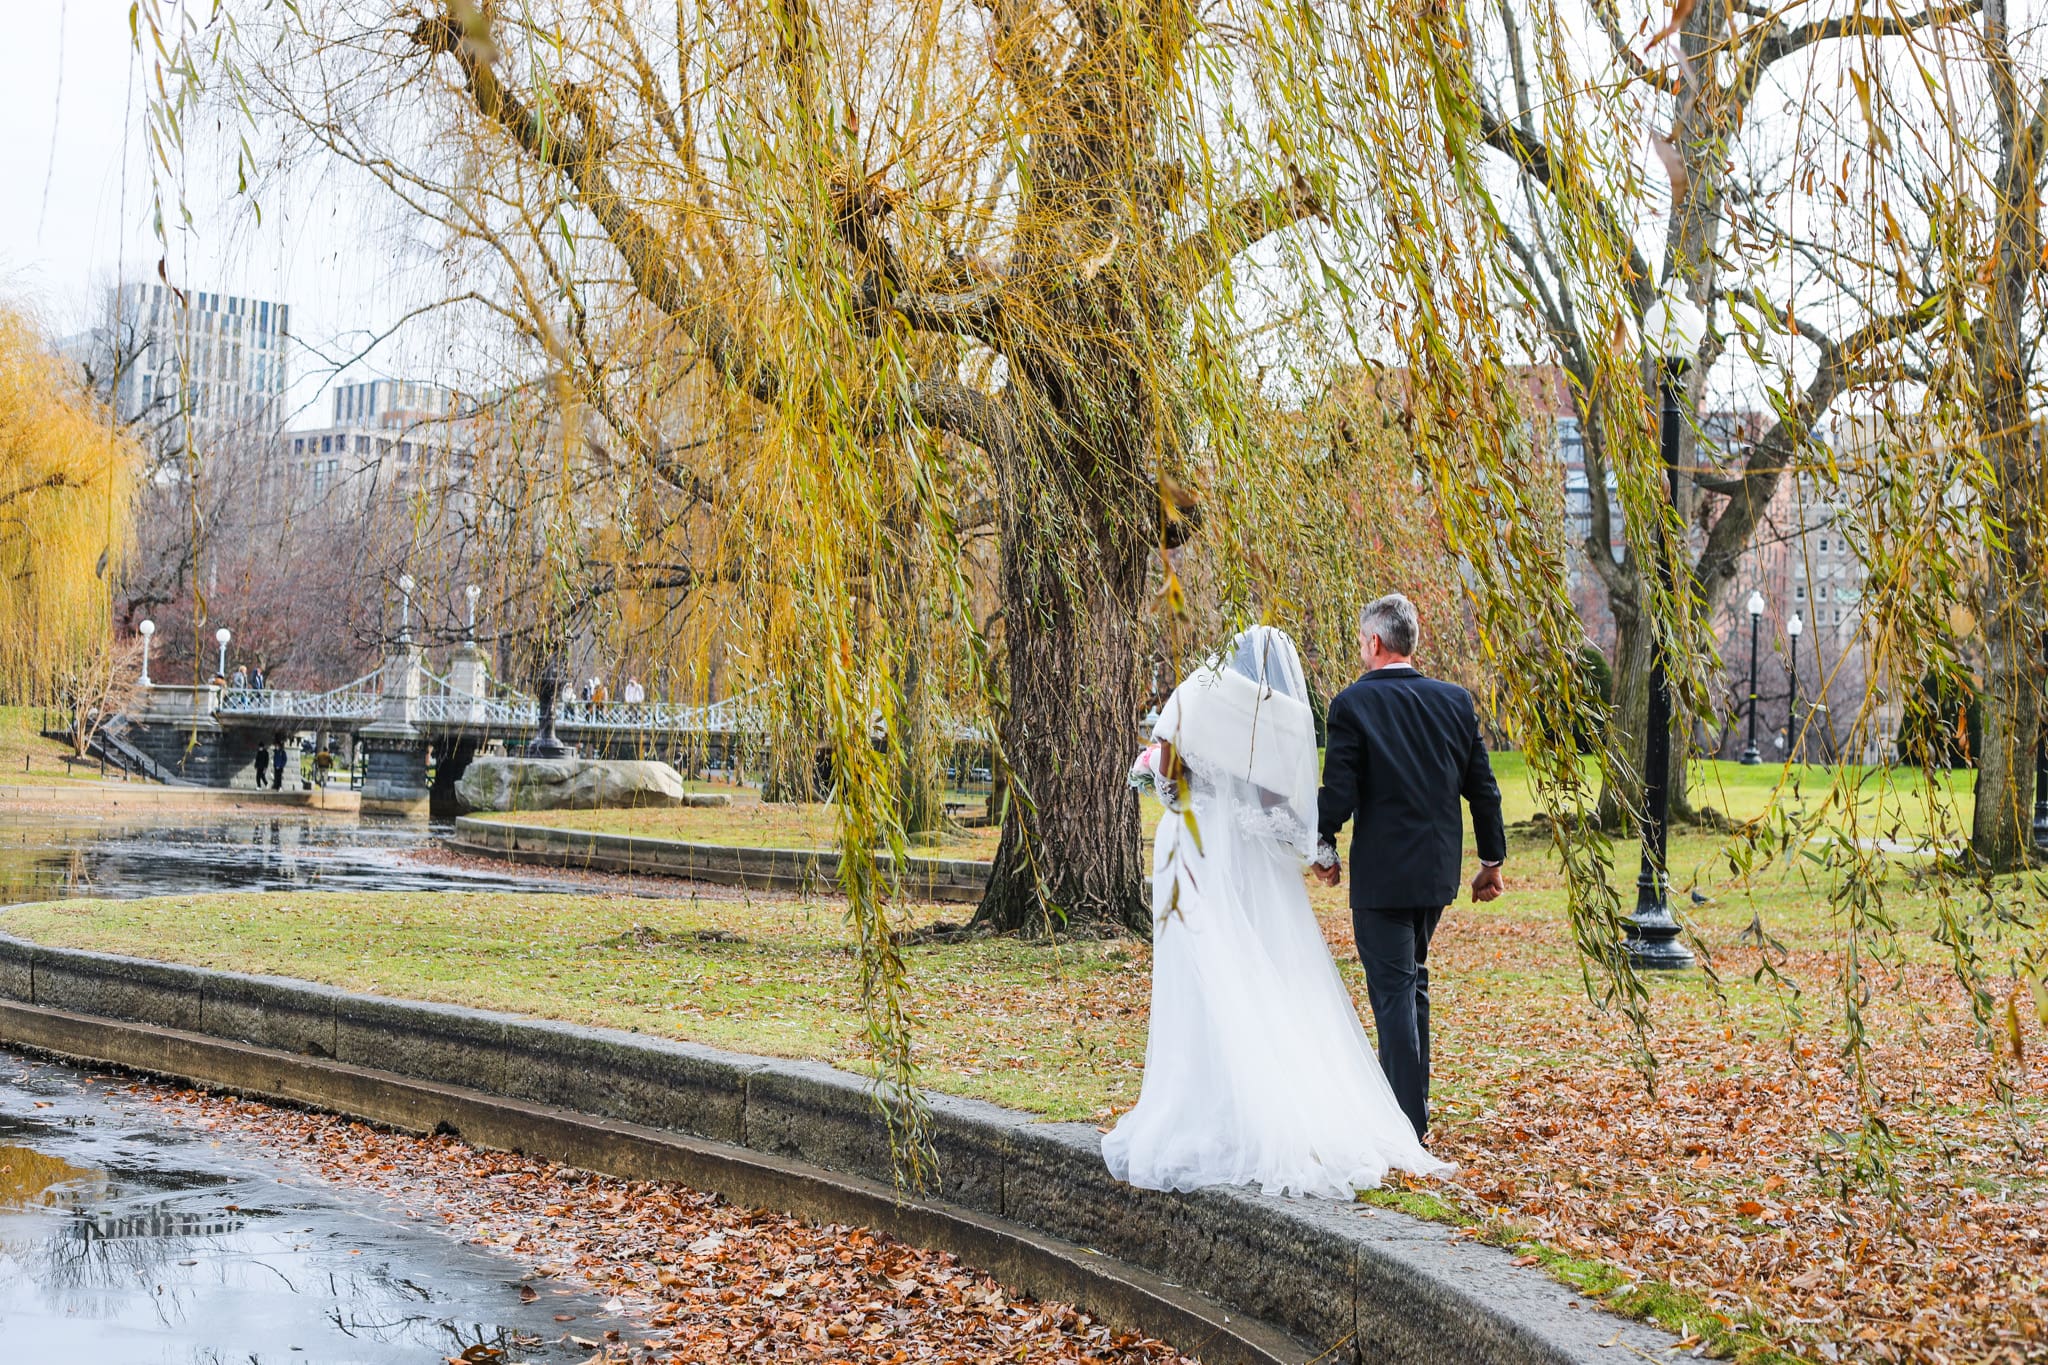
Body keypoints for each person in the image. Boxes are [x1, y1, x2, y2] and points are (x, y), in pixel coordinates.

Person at [1102, 625, 1450, 1198]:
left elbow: (1167, 776)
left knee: (1200, 975)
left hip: (1191, 848)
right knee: (1260, 968)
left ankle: (1208, 1099)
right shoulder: (1285, 715)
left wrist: (1160, 779)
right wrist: (1318, 853)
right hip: (1251, 861)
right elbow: (1285, 806)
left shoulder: (1194, 693)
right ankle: (1272, 1100)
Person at [1312, 592, 1506, 1141]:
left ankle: (1405, 1127)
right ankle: (1410, 1105)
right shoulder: (1455, 701)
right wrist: (1491, 862)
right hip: (1435, 876)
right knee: (1411, 982)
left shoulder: (1352, 705)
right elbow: (1483, 791)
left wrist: (1323, 849)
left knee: (1395, 993)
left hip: (1382, 879)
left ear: (1374, 642)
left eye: (1360, 642)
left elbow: (1339, 793)